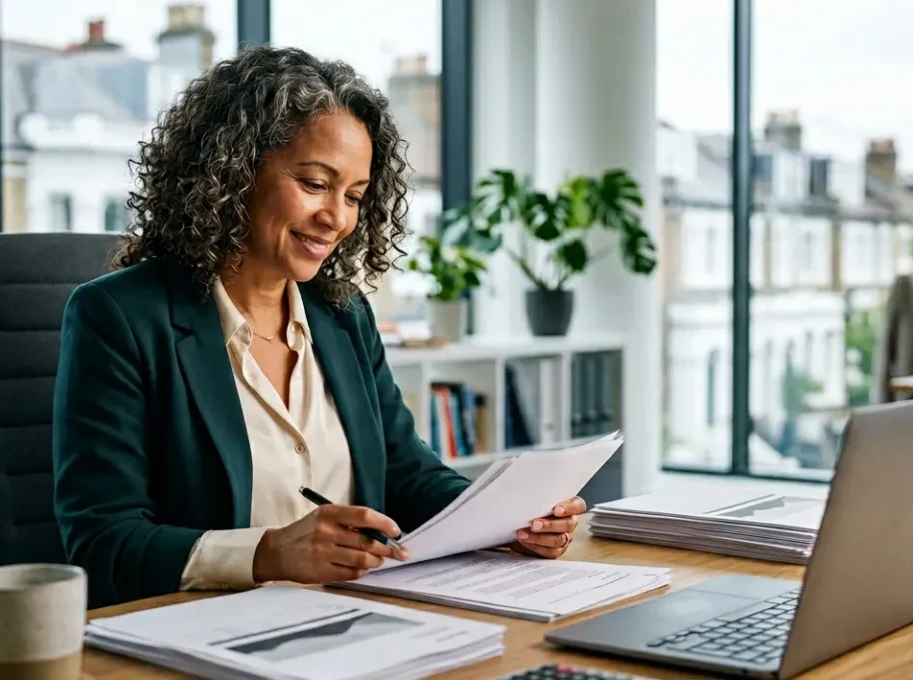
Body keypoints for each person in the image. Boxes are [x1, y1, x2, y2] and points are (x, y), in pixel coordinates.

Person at [51, 46, 586, 608]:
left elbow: (407, 473)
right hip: (205, 626)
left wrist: (509, 520)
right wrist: (269, 553)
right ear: (232, 170)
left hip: (356, 615)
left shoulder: (343, 315)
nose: (337, 218)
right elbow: (101, 542)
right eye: (313, 184)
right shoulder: (118, 316)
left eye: (354, 196)